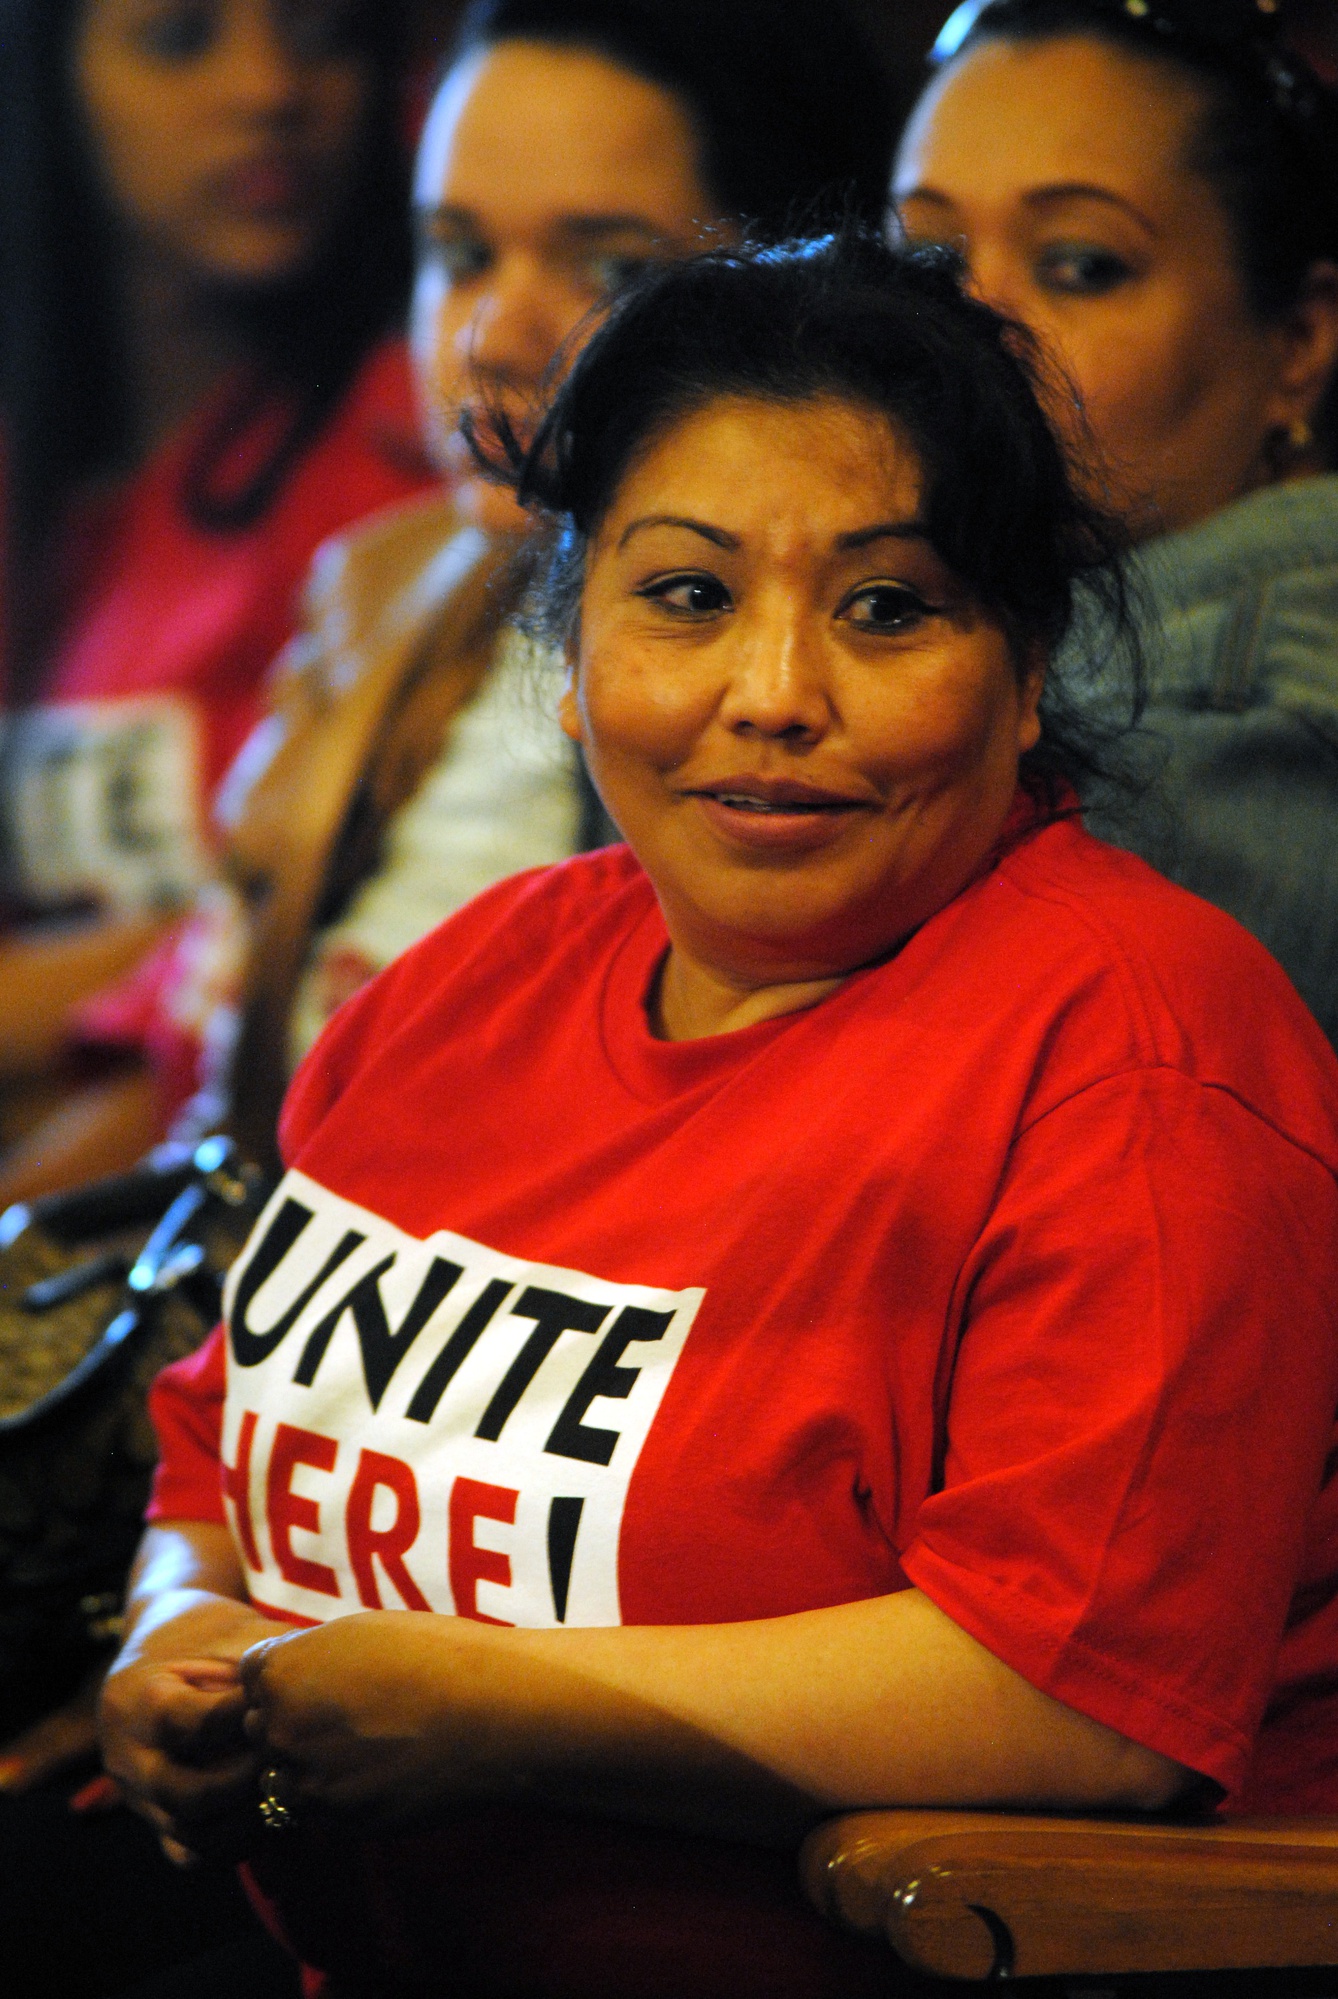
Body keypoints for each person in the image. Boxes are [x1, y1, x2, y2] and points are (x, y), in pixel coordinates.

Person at [99, 234, 1338, 1999]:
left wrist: (499, 1707)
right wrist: (174, 1631)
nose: (771, 692)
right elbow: (216, 1447)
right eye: (686, 594)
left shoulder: (1141, 1052)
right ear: (569, 644)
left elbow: (1076, 1700)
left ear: (1025, 670)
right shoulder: (468, 978)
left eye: (885, 608)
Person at [6, 0, 899, 1190]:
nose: (493, 337)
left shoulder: (811, 700)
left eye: (611, 267)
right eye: (461, 254)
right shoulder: (383, 587)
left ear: (808, 287)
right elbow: (212, 1059)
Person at [0, 0, 435, 1196]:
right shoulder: (40, 471)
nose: (268, 91)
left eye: (324, 35)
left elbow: (306, 946)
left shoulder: (430, 451)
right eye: (180, 39)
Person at [892, 0, 1338, 1042]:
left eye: (1082, 266)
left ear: (1297, 345)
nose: (969, 327)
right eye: (927, 263)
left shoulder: (1239, 734)